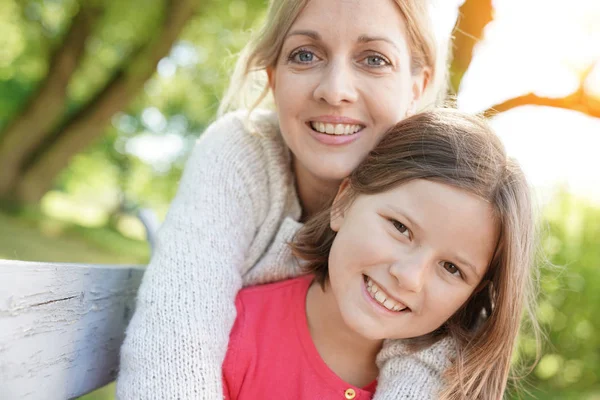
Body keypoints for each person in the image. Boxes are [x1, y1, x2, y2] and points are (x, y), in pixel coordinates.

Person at [117, 0, 460, 398]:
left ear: (416, 87)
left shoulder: (445, 201)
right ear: (274, 75)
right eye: (305, 54)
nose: (335, 91)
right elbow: (175, 335)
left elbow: (431, 351)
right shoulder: (242, 152)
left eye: (374, 59)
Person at [221, 109, 539, 400]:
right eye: (400, 228)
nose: (409, 276)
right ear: (344, 202)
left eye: (452, 268)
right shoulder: (230, 334)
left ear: (472, 294)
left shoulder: (451, 390)